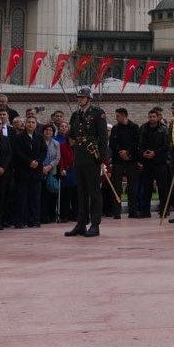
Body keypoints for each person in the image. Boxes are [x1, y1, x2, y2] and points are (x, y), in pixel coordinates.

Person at [65, 87, 108, 237]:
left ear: (89, 99)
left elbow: (103, 137)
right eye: (78, 97)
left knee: (94, 193)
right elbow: (72, 135)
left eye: (82, 97)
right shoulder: (76, 115)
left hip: (92, 155)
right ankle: (81, 224)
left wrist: (103, 158)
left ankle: (95, 225)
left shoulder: (98, 113)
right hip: (80, 156)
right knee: (81, 192)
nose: (79, 99)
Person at [132, 105, 169, 220]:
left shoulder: (163, 129)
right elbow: (138, 143)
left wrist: (155, 153)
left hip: (160, 163)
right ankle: (145, 211)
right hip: (147, 162)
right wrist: (142, 153)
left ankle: (164, 210)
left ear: (158, 118)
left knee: (162, 188)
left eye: (154, 117)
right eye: (150, 117)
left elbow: (166, 146)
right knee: (146, 188)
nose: (152, 119)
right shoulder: (143, 128)